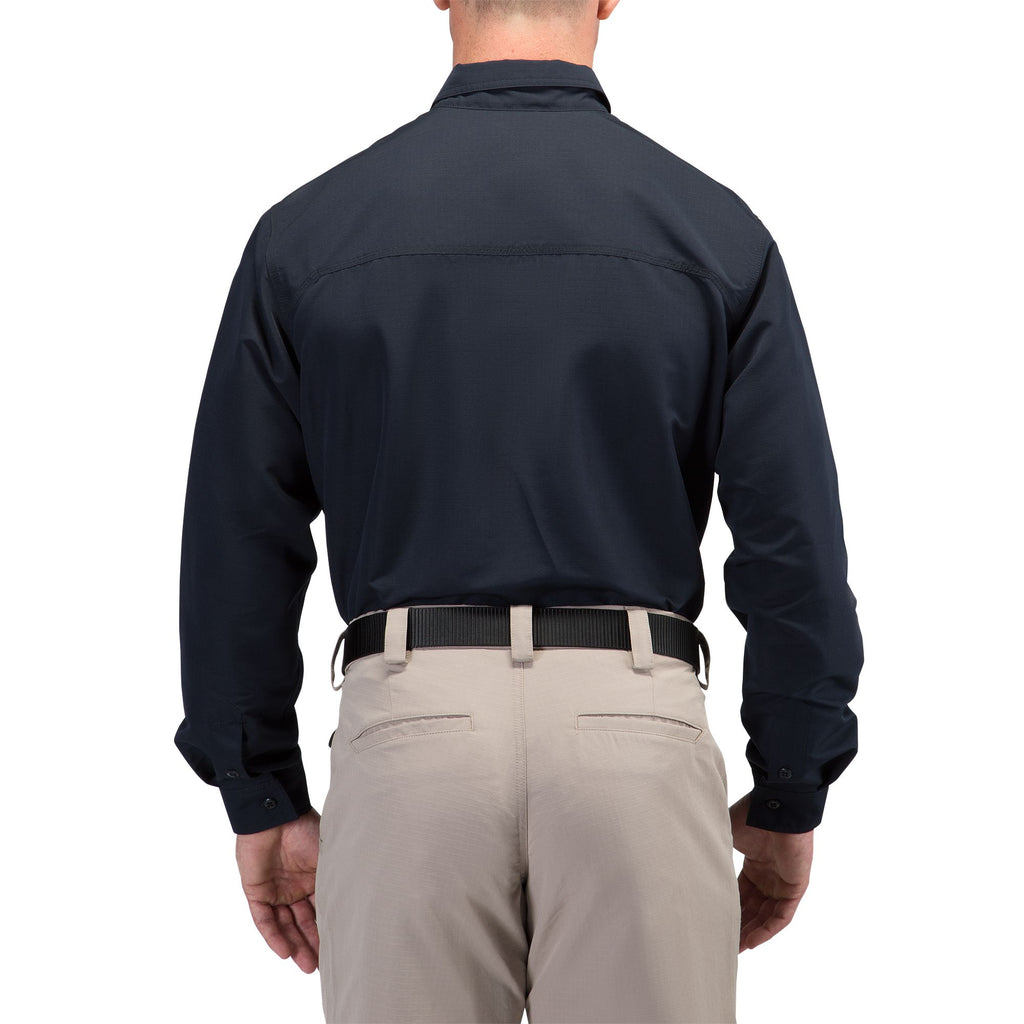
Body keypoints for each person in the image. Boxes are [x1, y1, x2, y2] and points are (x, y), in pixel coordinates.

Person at [174, 1, 864, 1020]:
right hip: (634, 733)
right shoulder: (714, 232)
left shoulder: (308, 234)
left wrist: (259, 785)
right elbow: (791, 542)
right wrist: (791, 782)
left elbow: (237, 537)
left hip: (409, 736)